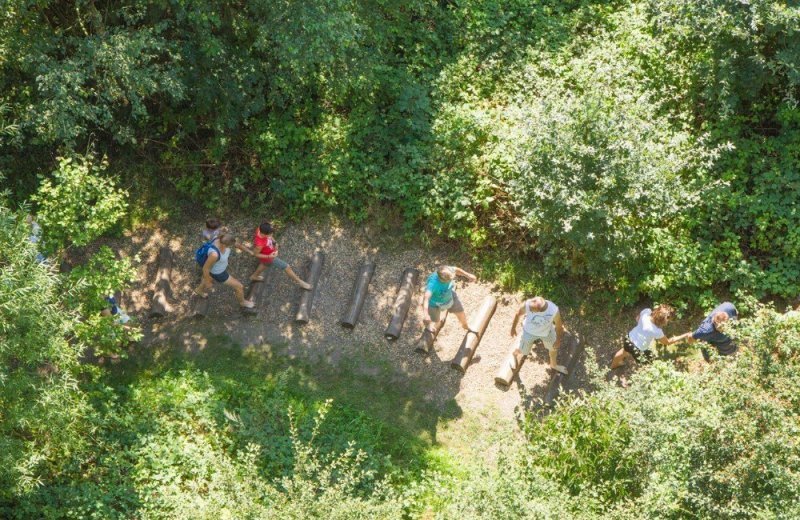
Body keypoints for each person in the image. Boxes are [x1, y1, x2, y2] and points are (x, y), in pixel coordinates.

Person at [194, 233, 256, 309]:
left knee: (209, 277)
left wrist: (249, 251)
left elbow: (237, 244)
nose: (233, 246)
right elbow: (206, 268)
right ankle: (242, 302)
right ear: (224, 245)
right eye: (230, 246)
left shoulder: (220, 238)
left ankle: (199, 290)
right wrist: (208, 282)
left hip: (215, 268)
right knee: (239, 286)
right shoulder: (214, 254)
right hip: (218, 273)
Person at [510, 296, 567, 375]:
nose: (528, 310)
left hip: (547, 332)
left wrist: (558, 340)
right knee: (523, 350)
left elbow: (559, 326)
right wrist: (513, 328)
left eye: (531, 310)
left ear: (539, 311)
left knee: (553, 348)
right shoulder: (528, 304)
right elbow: (518, 314)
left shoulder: (553, 310)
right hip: (529, 332)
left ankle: (554, 365)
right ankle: (514, 354)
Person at [611, 305, 679, 369]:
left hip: (629, 338)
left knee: (623, 351)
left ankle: (613, 365)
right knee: (648, 362)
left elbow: (637, 318)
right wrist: (685, 335)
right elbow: (668, 342)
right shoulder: (657, 331)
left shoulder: (646, 312)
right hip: (639, 349)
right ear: (663, 321)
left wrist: (643, 328)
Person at [249, 222, 311, 290]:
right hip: (270, 258)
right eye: (270, 234)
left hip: (268, 257)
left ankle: (254, 276)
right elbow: (255, 254)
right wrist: (269, 256)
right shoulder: (259, 244)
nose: (271, 235)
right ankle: (301, 282)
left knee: (264, 264)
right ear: (263, 234)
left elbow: (270, 237)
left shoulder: (260, 229)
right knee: (287, 267)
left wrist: (274, 242)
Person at [671, 302, 738, 362]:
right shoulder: (705, 330)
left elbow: (736, 312)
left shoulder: (729, 307)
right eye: (720, 328)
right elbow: (691, 338)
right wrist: (688, 340)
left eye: (725, 327)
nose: (723, 330)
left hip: (725, 341)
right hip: (713, 338)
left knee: (727, 347)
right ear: (714, 321)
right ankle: (710, 361)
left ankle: (729, 354)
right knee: (707, 348)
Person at [421, 265, 477, 335]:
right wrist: (426, 315)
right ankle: (428, 325)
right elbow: (426, 299)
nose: (451, 280)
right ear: (441, 279)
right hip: (434, 303)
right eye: (449, 280)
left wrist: (468, 275)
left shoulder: (448, 270)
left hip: (450, 296)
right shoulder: (433, 284)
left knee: (461, 312)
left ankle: (465, 326)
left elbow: (456, 270)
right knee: (435, 321)